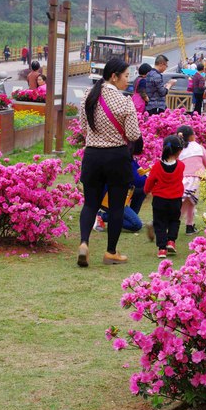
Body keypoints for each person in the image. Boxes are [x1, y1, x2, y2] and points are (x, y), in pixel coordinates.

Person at [77, 58, 142, 267]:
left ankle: (84, 243)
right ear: (114, 76)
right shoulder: (125, 101)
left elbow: (83, 128)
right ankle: (111, 252)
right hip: (116, 158)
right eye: (125, 76)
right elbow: (133, 135)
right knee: (116, 207)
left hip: (93, 155)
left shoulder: (88, 96)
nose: (127, 81)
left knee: (90, 204)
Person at [144, 136, 185, 258]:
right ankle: (171, 241)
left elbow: (150, 181)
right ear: (179, 151)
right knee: (174, 220)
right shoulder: (181, 166)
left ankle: (162, 249)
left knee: (159, 223)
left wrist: (146, 191)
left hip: (159, 200)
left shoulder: (157, 166)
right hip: (175, 199)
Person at [177, 125, 206, 235]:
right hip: (196, 178)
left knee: (186, 203)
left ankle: (189, 226)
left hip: (182, 179)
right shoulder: (198, 147)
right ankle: (174, 225)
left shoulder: (179, 150)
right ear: (192, 136)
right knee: (188, 204)